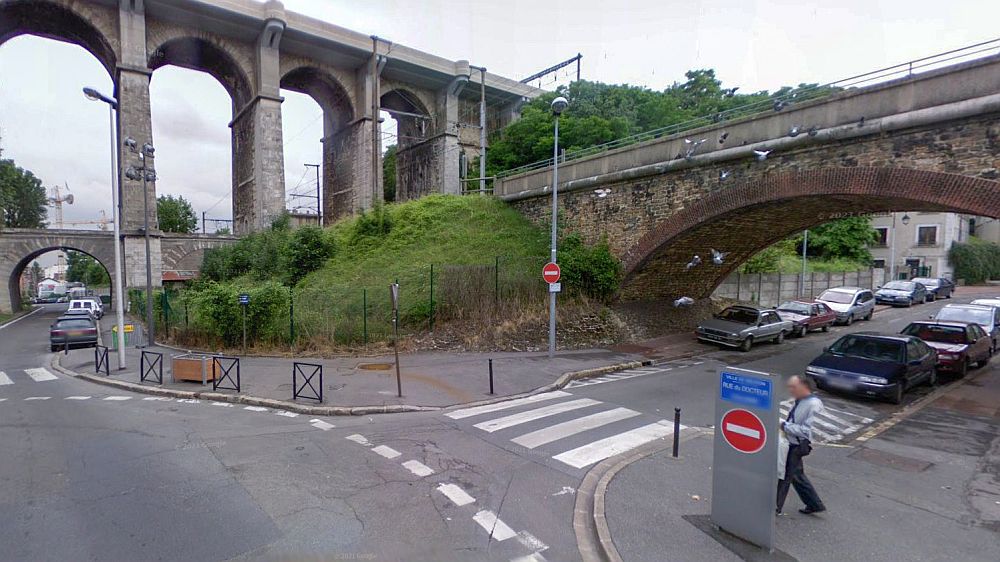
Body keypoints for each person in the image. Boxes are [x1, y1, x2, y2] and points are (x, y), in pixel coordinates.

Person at [776, 375, 827, 515]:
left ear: (804, 387)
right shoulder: (800, 400)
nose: (790, 390)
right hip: (791, 442)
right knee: (796, 475)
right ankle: (814, 504)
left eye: (793, 387)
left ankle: (775, 507)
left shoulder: (813, 405)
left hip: (797, 445)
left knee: (784, 475)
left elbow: (808, 431)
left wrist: (784, 425)